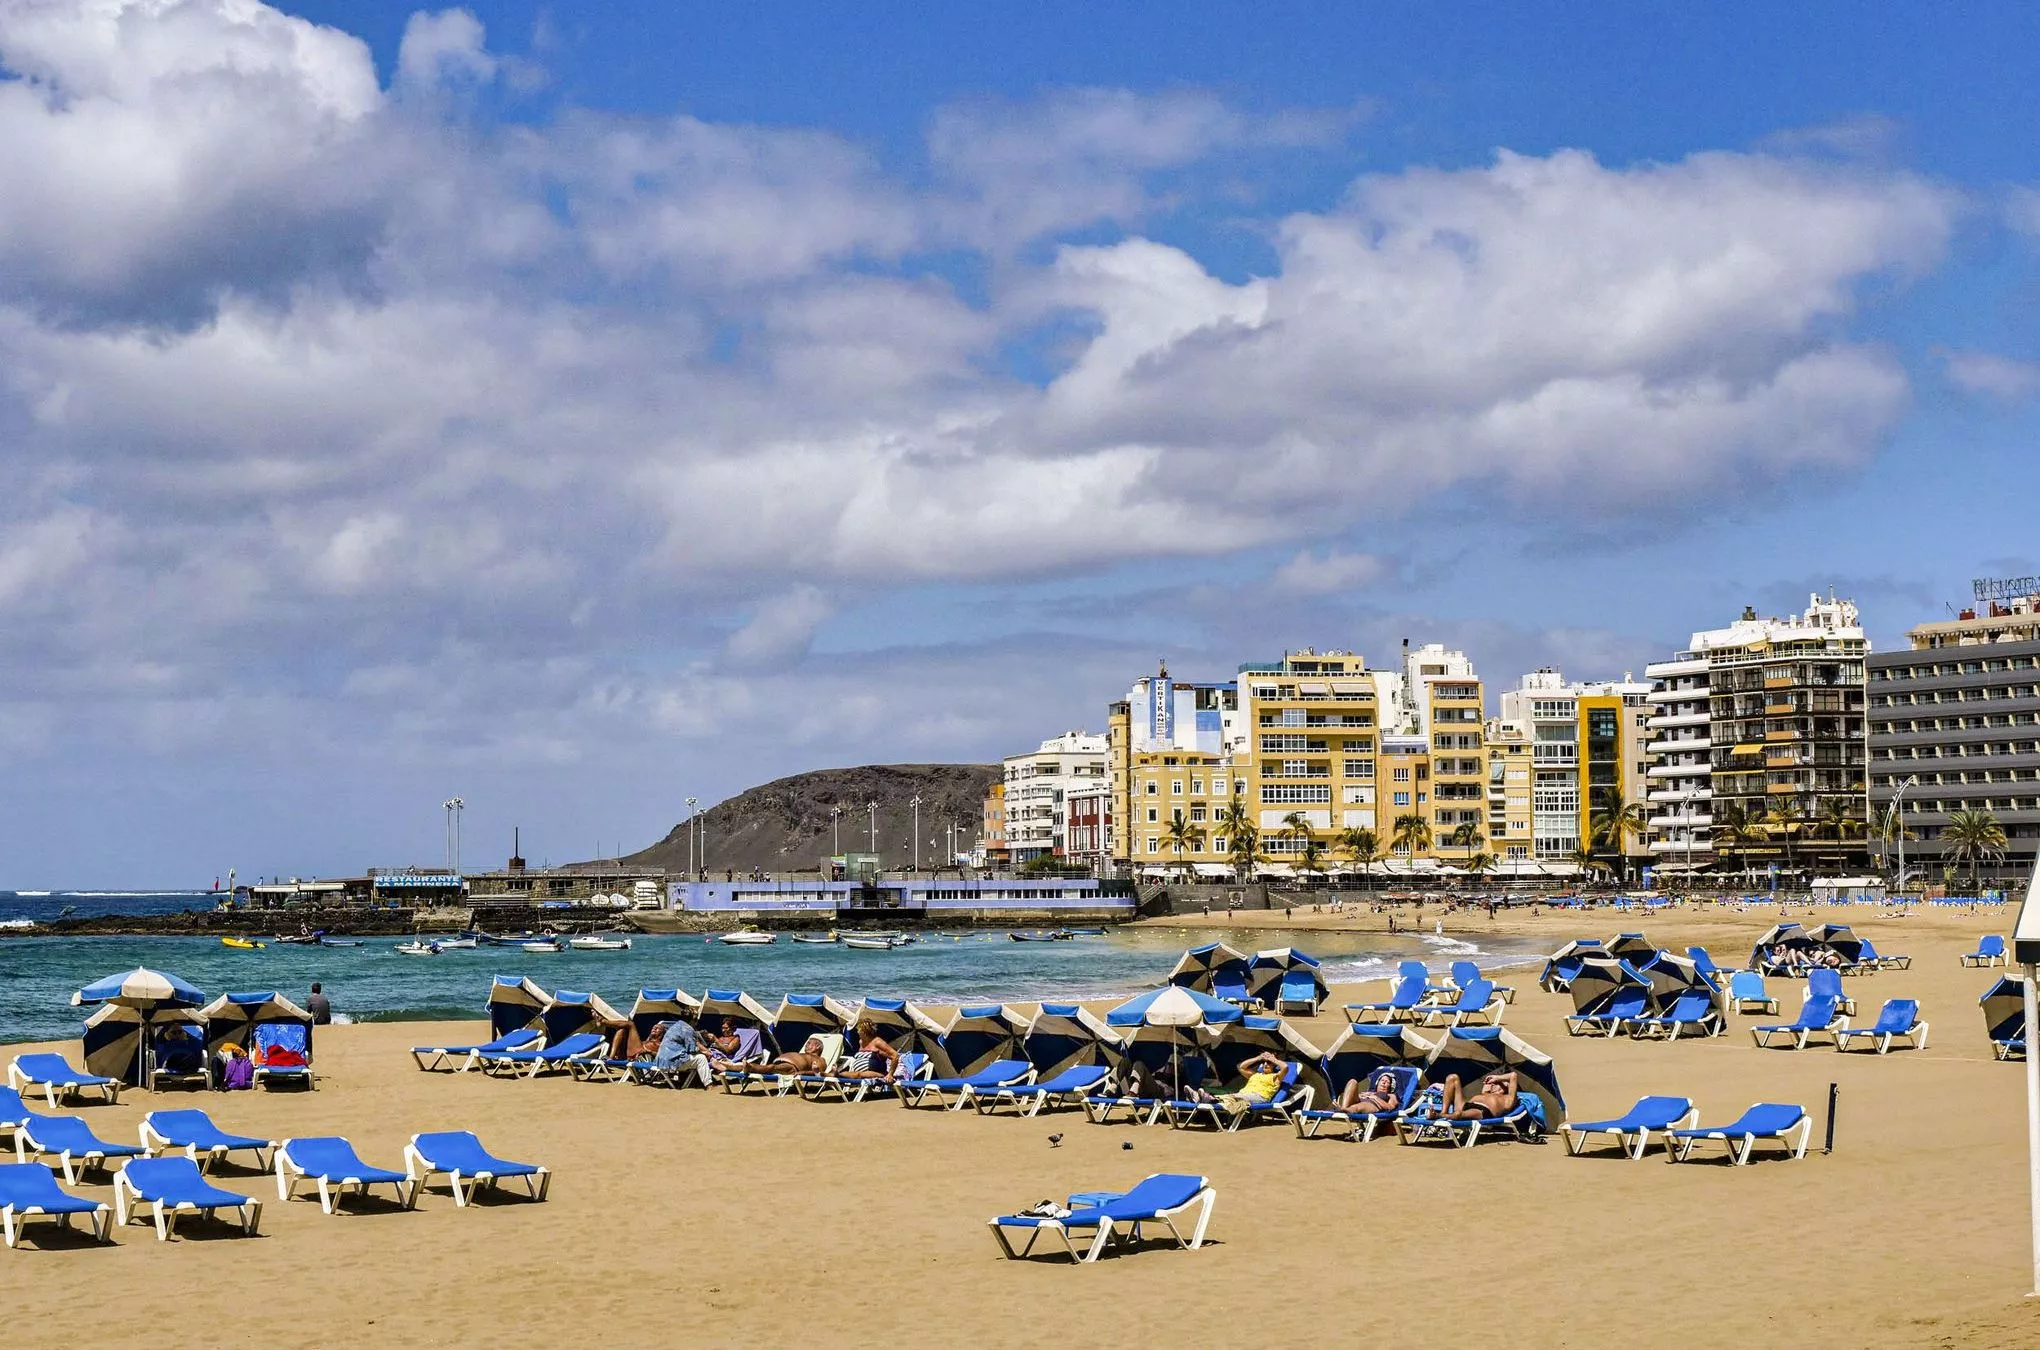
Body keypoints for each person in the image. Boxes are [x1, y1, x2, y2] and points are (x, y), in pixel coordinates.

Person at [1220, 1051, 1290, 1113]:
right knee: (1228, 1098)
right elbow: (1240, 1067)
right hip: (1243, 1095)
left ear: (1274, 1065)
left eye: (1268, 1063)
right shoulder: (1254, 1074)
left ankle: (1225, 1101)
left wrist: (1272, 1059)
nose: (1265, 1064)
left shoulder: (1276, 1077)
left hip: (1260, 1097)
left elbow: (1285, 1067)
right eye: (1263, 1062)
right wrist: (1259, 1058)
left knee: (1230, 1098)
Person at [831, 1020, 900, 1080]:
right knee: (851, 1073)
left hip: (879, 1073)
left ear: (865, 1032)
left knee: (860, 1074)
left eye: (859, 1030)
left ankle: (837, 1075)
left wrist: (890, 1074)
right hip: (858, 1072)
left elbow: (895, 1055)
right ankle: (833, 1075)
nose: (857, 1032)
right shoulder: (861, 1042)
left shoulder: (877, 1042)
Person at [1438, 1070, 1517, 1120]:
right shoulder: (1487, 1093)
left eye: (1499, 1083)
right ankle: (1443, 1112)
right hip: (1466, 1105)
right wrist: (1490, 1085)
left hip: (1482, 1111)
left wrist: (1498, 1078)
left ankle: (1438, 1116)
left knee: (1458, 1114)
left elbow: (1513, 1075)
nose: (1493, 1084)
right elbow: (1486, 1087)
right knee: (1452, 1077)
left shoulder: (1508, 1100)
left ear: (1506, 1088)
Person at [1335, 1069, 1405, 1115]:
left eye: (1387, 1082)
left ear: (1391, 1086)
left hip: (1373, 1104)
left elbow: (1391, 1107)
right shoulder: (1369, 1092)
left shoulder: (1391, 1095)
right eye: (1382, 1080)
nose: (1384, 1082)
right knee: (1353, 1081)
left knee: (1357, 1107)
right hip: (1359, 1100)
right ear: (1377, 1083)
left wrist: (1375, 1098)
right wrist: (1361, 1096)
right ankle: (1344, 1108)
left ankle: (1344, 1110)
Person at [765, 1035, 832, 1076]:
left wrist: (804, 1073)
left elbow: (818, 1072)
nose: (806, 1045)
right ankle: (756, 1068)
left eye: (809, 1043)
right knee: (770, 1067)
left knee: (770, 1067)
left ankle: (755, 1068)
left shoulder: (819, 1059)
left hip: (791, 1067)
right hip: (782, 1062)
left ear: (817, 1046)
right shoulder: (805, 1055)